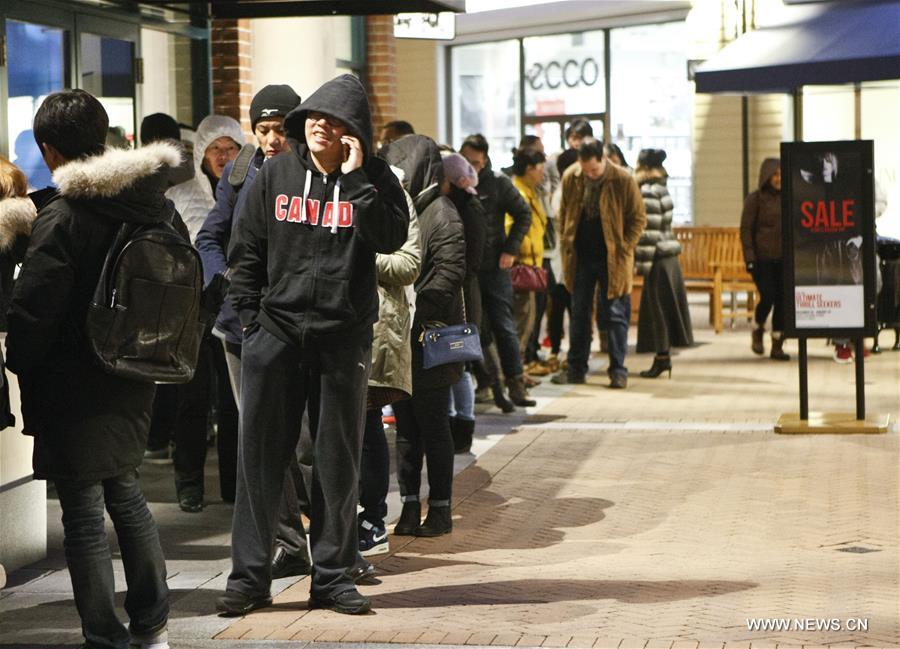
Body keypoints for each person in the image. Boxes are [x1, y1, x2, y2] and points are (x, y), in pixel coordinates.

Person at [217, 74, 408, 617]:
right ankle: (249, 579)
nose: (320, 125)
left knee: (335, 463)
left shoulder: (372, 179)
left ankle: (332, 578)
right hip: (273, 336)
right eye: (314, 118)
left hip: (341, 340)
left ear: (355, 133)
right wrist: (252, 321)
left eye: (335, 120)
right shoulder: (275, 174)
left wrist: (356, 182)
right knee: (259, 461)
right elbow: (245, 247)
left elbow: (390, 238)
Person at [6, 89, 178, 649]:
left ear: (50, 150)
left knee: (82, 511)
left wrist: (18, 360)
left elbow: (36, 308)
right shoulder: (155, 202)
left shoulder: (62, 217)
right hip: (135, 368)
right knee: (127, 494)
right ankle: (153, 625)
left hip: (70, 384)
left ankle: (105, 635)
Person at [195, 85, 311, 572]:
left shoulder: (313, 175)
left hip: (293, 324)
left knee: (304, 440)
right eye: (262, 129)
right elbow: (209, 237)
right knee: (260, 436)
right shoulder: (240, 172)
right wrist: (227, 281)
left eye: (280, 129)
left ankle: (322, 532)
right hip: (240, 328)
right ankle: (290, 542)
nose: (270, 139)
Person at [149, 113, 245, 512]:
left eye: (231, 149)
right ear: (202, 153)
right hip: (193, 312)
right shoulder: (179, 195)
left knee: (235, 403)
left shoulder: (253, 191)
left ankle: (234, 484)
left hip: (237, 311)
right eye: (216, 149)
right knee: (192, 399)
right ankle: (188, 482)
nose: (223, 156)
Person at [381, 134, 466, 538]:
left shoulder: (441, 212)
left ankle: (442, 509)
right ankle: (411, 507)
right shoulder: (407, 208)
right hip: (405, 337)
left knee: (433, 426)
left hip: (429, 339)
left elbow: (449, 272)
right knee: (407, 427)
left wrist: (421, 313)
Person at [551, 138, 646, 389]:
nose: (590, 175)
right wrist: (566, 239)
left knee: (615, 314)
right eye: (585, 170)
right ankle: (576, 368)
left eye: (594, 170)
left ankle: (618, 370)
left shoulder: (623, 179)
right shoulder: (572, 176)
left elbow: (638, 218)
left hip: (613, 257)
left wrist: (625, 246)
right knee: (579, 313)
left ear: (603, 159)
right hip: (580, 257)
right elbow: (563, 213)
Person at [358, 177, 421, 555]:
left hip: (376, 327)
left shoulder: (391, 193)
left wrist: (359, 254)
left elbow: (409, 264)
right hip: (323, 325)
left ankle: (373, 519)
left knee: (366, 425)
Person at [460, 133, 534, 407]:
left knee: (504, 326)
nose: (472, 167)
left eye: (476, 162)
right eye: (467, 160)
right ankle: (486, 383)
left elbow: (523, 214)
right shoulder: (456, 182)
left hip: (495, 265)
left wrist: (510, 249)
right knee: (474, 327)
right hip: (469, 267)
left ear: (485, 159)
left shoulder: (499, 183)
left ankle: (516, 384)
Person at [633, 149, 693, 377]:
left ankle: (662, 358)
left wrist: (642, 266)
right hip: (668, 257)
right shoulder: (661, 187)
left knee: (657, 311)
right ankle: (662, 358)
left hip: (657, 257)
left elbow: (649, 232)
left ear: (643, 166)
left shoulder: (648, 191)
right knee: (663, 310)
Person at [441, 151, 486, 453]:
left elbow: (472, 259)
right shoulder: (459, 204)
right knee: (450, 365)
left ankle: (463, 426)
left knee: (459, 366)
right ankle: (455, 425)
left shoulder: (468, 207)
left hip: (463, 298)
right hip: (459, 295)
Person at [740, 157, 789, 361]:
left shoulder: (789, 198)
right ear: (767, 176)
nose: (778, 178)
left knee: (782, 300)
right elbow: (746, 229)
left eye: (781, 174)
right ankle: (758, 328)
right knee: (768, 295)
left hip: (784, 259)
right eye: (775, 174)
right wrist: (750, 257)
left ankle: (777, 343)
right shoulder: (755, 199)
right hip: (762, 259)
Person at [508, 147, 549, 357]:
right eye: (540, 168)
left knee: (527, 321)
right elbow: (511, 228)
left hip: (531, 266)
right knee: (520, 321)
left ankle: (518, 369)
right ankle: (514, 373)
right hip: (520, 267)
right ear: (529, 168)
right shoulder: (517, 193)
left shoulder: (531, 192)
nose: (543, 172)